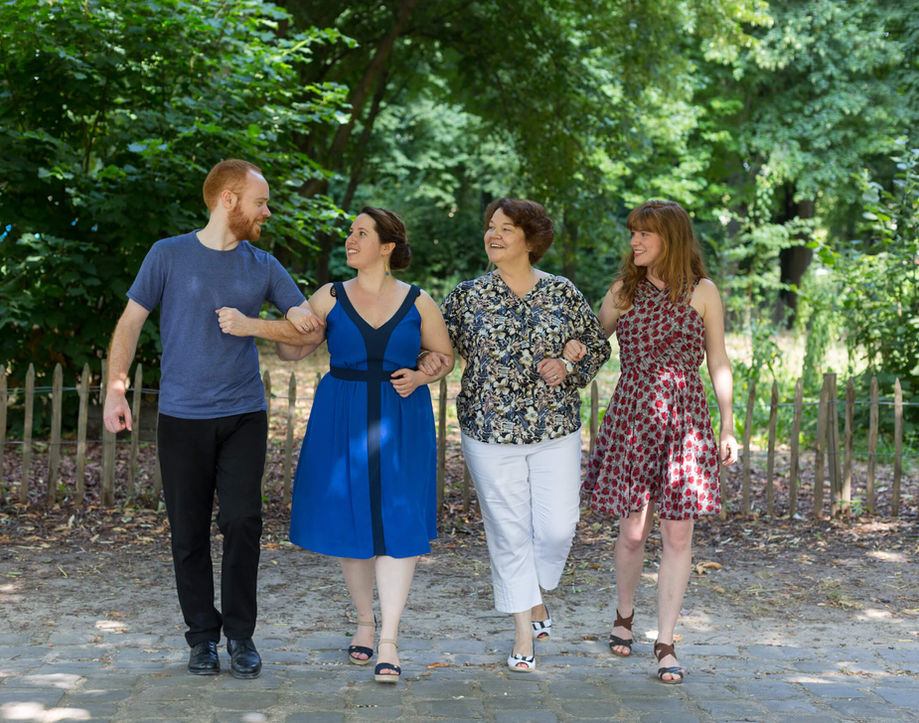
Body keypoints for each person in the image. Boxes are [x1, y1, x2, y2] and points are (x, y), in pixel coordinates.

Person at [103, 159, 322, 679]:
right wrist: (116, 388)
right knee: (187, 532)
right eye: (260, 202)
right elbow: (130, 323)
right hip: (182, 417)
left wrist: (261, 323)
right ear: (229, 200)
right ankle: (202, 637)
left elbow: (308, 331)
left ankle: (240, 636)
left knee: (243, 522)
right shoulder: (167, 255)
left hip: (244, 414)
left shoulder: (264, 265)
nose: (267, 212)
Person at [278, 207, 454, 684]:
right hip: (341, 415)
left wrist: (422, 375)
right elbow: (289, 351)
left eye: (361, 233)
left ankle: (390, 639)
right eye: (350, 233)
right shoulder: (329, 296)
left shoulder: (419, 301)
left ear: (387, 246)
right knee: (351, 517)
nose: (350, 240)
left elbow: (444, 356)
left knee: (399, 518)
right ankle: (364, 621)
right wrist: (294, 321)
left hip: (402, 416)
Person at [435, 198, 610, 673]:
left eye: (506, 228)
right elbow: (437, 348)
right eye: (490, 227)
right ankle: (522, 633)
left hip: (555, 428)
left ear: (530, 240)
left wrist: (568, 363)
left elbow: (597, 346)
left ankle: (534, 596)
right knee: (509, 531)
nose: (493, 235)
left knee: (557, 529)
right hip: (488, 431)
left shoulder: (562, 292)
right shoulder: (467, 296)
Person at [582, 199, 737, 684]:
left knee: (678, 535)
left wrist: (728, 424)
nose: (635, 241)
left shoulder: (703, 292)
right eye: (633, 232)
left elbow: (718, 360)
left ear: (671, 238)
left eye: (644, 233)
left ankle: (666, 641)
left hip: (685, 419)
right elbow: (590, 344)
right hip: (633, 416)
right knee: (632, 533)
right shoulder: (623, 290)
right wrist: (566, 355)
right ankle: (624, 614)